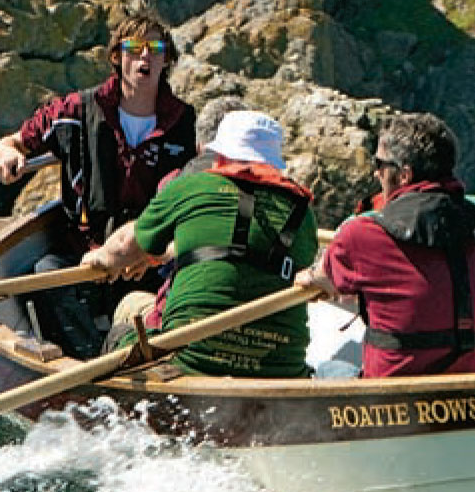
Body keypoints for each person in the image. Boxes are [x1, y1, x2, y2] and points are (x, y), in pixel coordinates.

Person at [0, 13, 198, 357]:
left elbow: (181, 194)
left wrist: (150, 252)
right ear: (117, 57)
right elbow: (11, 143)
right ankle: (91, 364)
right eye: (134, 47)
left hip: (148, 255)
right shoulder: (77, 110)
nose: (145, 56)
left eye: (155, 48)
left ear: (167, 60)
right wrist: (9, 156)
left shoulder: (181, 120)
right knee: (47, 272)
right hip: (85, 251)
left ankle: (159, 359)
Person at [83, 111, 318, 378]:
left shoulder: (190, 187)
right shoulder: (303, 212)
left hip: (189, 359)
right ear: (273, 162)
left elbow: (124, 246)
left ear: (220, 153)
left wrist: (99, 259)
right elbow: (254, 252)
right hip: (280, 369)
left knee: (120, 332)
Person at [295, 112, 475, 377]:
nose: (376, 173)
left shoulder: (362, 233)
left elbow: (322, 281)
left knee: (328, 369)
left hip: (390, 396)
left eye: (380, 164)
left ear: (404, 175)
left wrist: (307, 277)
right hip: (474, 389)